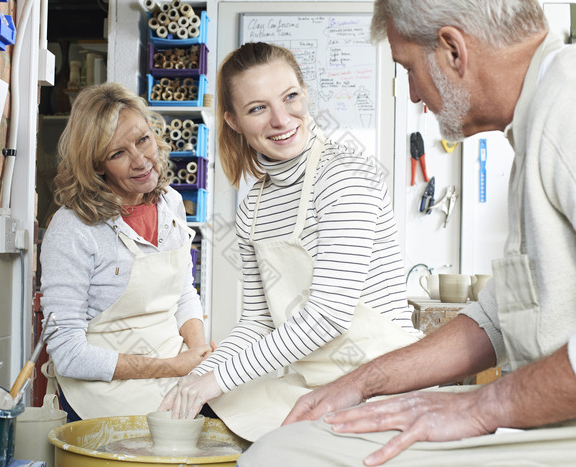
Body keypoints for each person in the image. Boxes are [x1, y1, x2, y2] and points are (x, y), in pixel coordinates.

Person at [237, 1, 576, 465]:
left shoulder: (568, 109)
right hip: (543, 413)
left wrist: (483, 405)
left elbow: (328, 314)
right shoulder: (536, 121)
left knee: (280, 457)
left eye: (409, 70)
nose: (414, 95)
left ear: (453, 51)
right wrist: (361, 382)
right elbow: (497, 318)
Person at [158, 42, 421, 442]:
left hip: (385, 380)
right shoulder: (253, 207)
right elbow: (257, 323)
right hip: (314, 384)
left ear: (306, 94)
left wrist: (215, 380)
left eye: (290, 97)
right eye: (258, 108)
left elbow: (328, 315)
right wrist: (190, 383)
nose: (281, 119)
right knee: (211, 417)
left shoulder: (345, 176)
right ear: (233, 121)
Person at [39, 82, 213, 421]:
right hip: (104, 392)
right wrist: (172, 366)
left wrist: (198, 354)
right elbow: (69, 355)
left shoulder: (171, 203)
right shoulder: (72, 228)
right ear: (96, 165)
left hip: (174, 371)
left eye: (143, 140)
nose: (140, 161)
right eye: (118, 153)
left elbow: (182, 294)